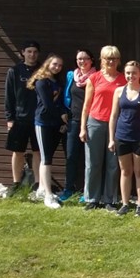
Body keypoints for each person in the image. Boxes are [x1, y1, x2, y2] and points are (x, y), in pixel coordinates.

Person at [79, 45, 123, 211]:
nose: (111, 61)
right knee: (93, 163)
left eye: (114, 58)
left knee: (113, 163)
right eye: (108, 58)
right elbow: (86, 105)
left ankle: (109, 199)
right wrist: (83, 128)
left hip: (116, 124)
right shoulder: (94, 78)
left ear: (118, 60)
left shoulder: (123, 79)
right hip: (95, 122)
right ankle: (92, 198)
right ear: (102, 60)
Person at [108, 60, 140, 217]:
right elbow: (113, 116)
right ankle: (125, 203)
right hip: (122, 136)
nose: (131, 76)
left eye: (134, 73)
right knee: (125, 171)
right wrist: (111, 138)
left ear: (139, 74)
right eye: (128, 73)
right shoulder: (119, 91)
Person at [26, 54, 68, 209]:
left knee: (48, 156)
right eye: (54, 64)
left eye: (60, 65)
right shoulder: (41, 82)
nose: (57, 67)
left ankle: (43, 190)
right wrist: (61, 115)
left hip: (55, 124)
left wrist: (63, 114)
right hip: (43, 123)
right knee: (46, 159)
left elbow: (60, 102)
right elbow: (48, 104)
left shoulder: (58, 81)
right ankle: (48, 196)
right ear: (48, 64)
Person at [3, 39, 41, 194]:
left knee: (38, 151)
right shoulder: (14, 71)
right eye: (29, 51)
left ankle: (38, 183)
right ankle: (16, 183)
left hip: (39, 118)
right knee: (17, 151)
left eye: (35, 52)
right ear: (23, 53)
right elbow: (9, 96)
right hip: (19, 118)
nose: (32, 55)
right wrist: (9, 119)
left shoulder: (43, 71)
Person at [59, 48, 94, 202]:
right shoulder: (71, 76)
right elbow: (64, 95)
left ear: (91, 60)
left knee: (90, 158)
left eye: (85, 58)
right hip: (73, 121)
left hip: (91, 121)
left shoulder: (96, 77)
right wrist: (63, 111)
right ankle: (68, 188)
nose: (82, 61)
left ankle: (87, 191)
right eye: (79, 59)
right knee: (71, 156)